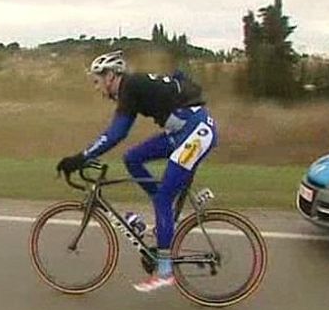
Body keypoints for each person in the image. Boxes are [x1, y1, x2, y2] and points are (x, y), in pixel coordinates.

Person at [56, 51, 218, 293]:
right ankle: (165, 217)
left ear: (110, 76)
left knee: (163, 197)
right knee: (132, 158)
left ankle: (165, 272)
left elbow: (116, 133)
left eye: (97, 81)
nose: (97, 88)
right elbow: (175, 82)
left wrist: (81, 158)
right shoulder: (133, 88)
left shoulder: (129, 88)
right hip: (184, 131)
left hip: (196, 132)